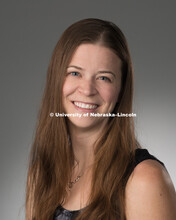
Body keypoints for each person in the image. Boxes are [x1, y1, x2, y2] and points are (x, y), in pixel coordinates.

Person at [25, 18, 176, 220]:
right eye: (75, 73)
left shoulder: (145, 180)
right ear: (56, 80)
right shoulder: (41, 174)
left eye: (104, 77)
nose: (87, 90)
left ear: (121, 91)